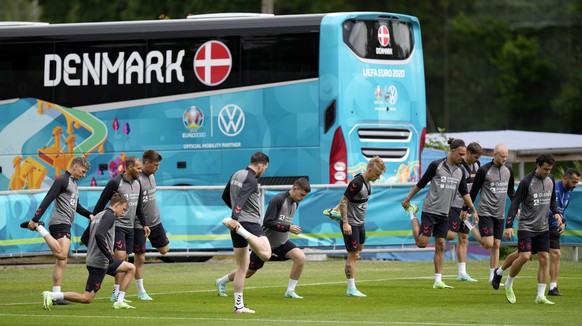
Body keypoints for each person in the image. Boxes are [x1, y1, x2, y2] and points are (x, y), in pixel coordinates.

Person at [401, 138, 479, 289]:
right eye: (461, 154)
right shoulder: (436, 165)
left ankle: (438, 281)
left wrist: (473, 210)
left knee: (441, 245)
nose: (463, 158)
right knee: (422, 244)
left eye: (464, 155)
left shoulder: (460, 171)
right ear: (453, 151)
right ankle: (412, 213)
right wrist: (408, 199)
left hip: (445, 213)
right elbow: (421, 184)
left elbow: (465, 193)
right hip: (430, 210)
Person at [216, 178, 311, 299]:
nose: (302, 198)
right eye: (301, 195)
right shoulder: (278, 200)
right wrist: (288, 227)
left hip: (282, 243)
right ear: (294, 188)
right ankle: (221, 281)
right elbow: (267, 222)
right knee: (248, 271)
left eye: (305, 196)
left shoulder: (295, 202)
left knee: (300, 258)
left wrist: (288, 228)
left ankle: (290, 291)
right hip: (265, 244)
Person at [42, 192, 137, 310]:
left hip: (95, 260)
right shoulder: (110, 216)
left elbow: (85, 238)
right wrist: (108, 254)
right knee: (87, 298)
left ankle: (119, 301)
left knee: (130, 268)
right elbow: (99, 235)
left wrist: (95, 250)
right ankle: (52, 295)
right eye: (123, 209)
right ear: (117, 205)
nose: (123, 213)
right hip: (100, 262)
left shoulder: (98, 215)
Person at [20, 156, 94, 305]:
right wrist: (35, 220)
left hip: (65, 223)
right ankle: (40, 227)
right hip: (59, 222)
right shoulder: (62, 180)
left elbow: (76, 206)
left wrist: (89, 214)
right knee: (61, 254)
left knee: (62, 260)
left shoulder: (73, 183)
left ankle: (55, 295)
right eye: (83, 171)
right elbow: (47, 199)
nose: (84, 175)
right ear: (75, 167)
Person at [491, 154, 561, 305]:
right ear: (537, 165)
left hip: (543, 228)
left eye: (549, 169)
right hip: (526, 226)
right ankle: (509, 284)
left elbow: (552, 199)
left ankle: (540, 296)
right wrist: (509, 226)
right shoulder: (526, 182)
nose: (547, 172)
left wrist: (556, 212)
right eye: (544, 169)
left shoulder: (551, 180)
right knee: (524, 256)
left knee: (544, 258)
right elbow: (515, 203)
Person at [323, 156, 387, 297]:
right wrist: (345, 222)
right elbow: (345, 201)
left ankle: (351, 279)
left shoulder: (367, 181)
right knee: (352, 255)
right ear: (369, 170)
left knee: (358, 251)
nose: (378, 178)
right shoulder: (356, 183)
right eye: (377, 174)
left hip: (360, 223)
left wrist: (334, 210)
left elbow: (344, 199)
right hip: (351, 224)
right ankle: (351, 288)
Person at [93, 156, 150, 303]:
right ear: (130, 167)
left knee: (125, 259)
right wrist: (95, 219)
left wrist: (144, 224)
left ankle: (118, 293)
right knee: (120, 257)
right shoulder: (115, 182)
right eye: (138, 168)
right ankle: (116, 293)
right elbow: (102, 202)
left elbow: (138, 207)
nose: (140, 170)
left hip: (130, 227)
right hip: (116, 226)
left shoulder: (138, 183)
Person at [220, 152, 272, 314]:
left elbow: (225, 196)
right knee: (266, 254)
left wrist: (234, 216)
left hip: (236, 223)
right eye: (265, 169)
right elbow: (242, 198)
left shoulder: (236, 174)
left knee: (243, 266)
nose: (263, 172)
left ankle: (238, 306)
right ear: (261, 166)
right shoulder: (251, 179)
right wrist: (236, 220)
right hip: (247, 223)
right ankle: (242, 231)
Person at [463, 144, 515, 284]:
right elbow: (473, 192)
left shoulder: (509, 169)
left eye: (506, 156)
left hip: (500, 213)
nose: (504, 159)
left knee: (497, 245)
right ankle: (469, 224)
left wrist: (517, 206)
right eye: (502, 156)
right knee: (488, 244)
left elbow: (511, 191)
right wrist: (466, 209)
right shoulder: (484, 170)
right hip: (485, 211)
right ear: (495, 154)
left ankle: (492, 277)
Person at [132, 150, 171, 301]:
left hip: (155, 222)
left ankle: (133, 258)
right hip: (139, 225)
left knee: (164, 250)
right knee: (140, 259)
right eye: (155, 165)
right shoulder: (137, 180)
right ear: (146, 163)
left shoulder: (152, 176)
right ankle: (141, 292)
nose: (157, 168)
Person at [446, 142, 482, 282]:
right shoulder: (459, 167)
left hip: (465, 206)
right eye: (475, 156)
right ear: (468, 153)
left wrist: (469, 207)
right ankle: (430, 229)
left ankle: (462, 272)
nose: (477, 159)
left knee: (463, 238)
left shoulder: (477, 166)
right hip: (454, 205)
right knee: (450, 235)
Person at [548, 168, 579, 296]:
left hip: (553, 228)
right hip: (540, 225)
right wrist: (554, 214)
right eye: (573, 182)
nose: (575, 185)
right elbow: (542, 206)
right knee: (523, 256)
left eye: (577, 182)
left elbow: (563, 209)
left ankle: (553, 288)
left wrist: (564, 221)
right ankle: (500, 271)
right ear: (565, 178)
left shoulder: (569, 192)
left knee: (556, 255)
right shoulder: (552, 188)